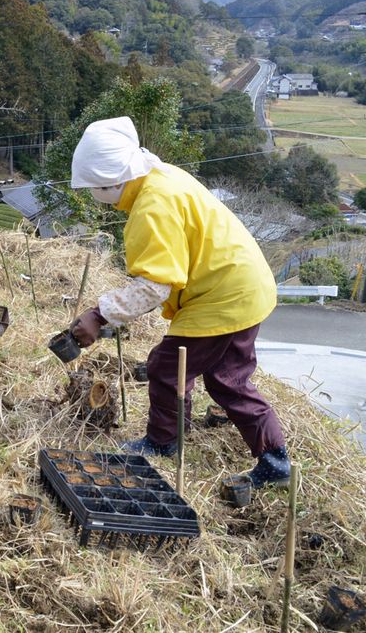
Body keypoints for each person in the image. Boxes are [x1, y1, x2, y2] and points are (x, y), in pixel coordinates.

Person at [68, 116, 290, 488]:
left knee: (167, 368)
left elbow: (156, 286)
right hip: (245, 283)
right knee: (228, 379)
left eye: (95, 187)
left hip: (221, 295)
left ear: (111, 182)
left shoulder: (152, 206)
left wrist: (99, 315)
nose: (94, 194)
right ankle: (274, 459)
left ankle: (163, 442)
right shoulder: (160, 175)